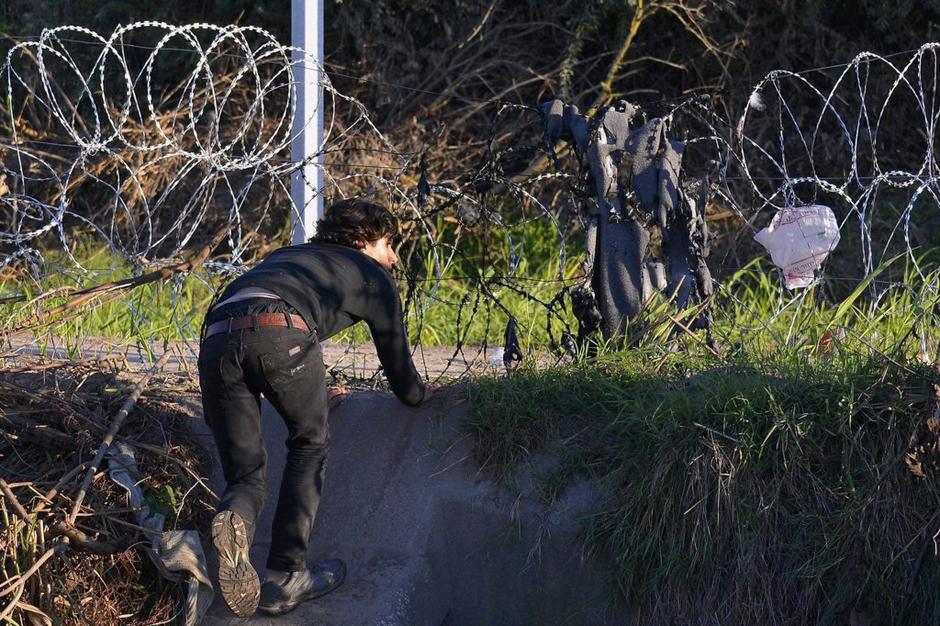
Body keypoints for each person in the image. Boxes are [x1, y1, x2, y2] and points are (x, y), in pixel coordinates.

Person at [197, 198, 431, 617]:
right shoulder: (371, 275)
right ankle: (286, 576)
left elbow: (250, 338)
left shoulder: (288, 256)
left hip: (217, 336)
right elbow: (403, 380)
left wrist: (309, 393)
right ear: (362, 240)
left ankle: (233, 519)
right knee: (310, 443)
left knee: (247, 475)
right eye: (387, 243)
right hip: (281, 334)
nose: (393, 257)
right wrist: (427, 396)